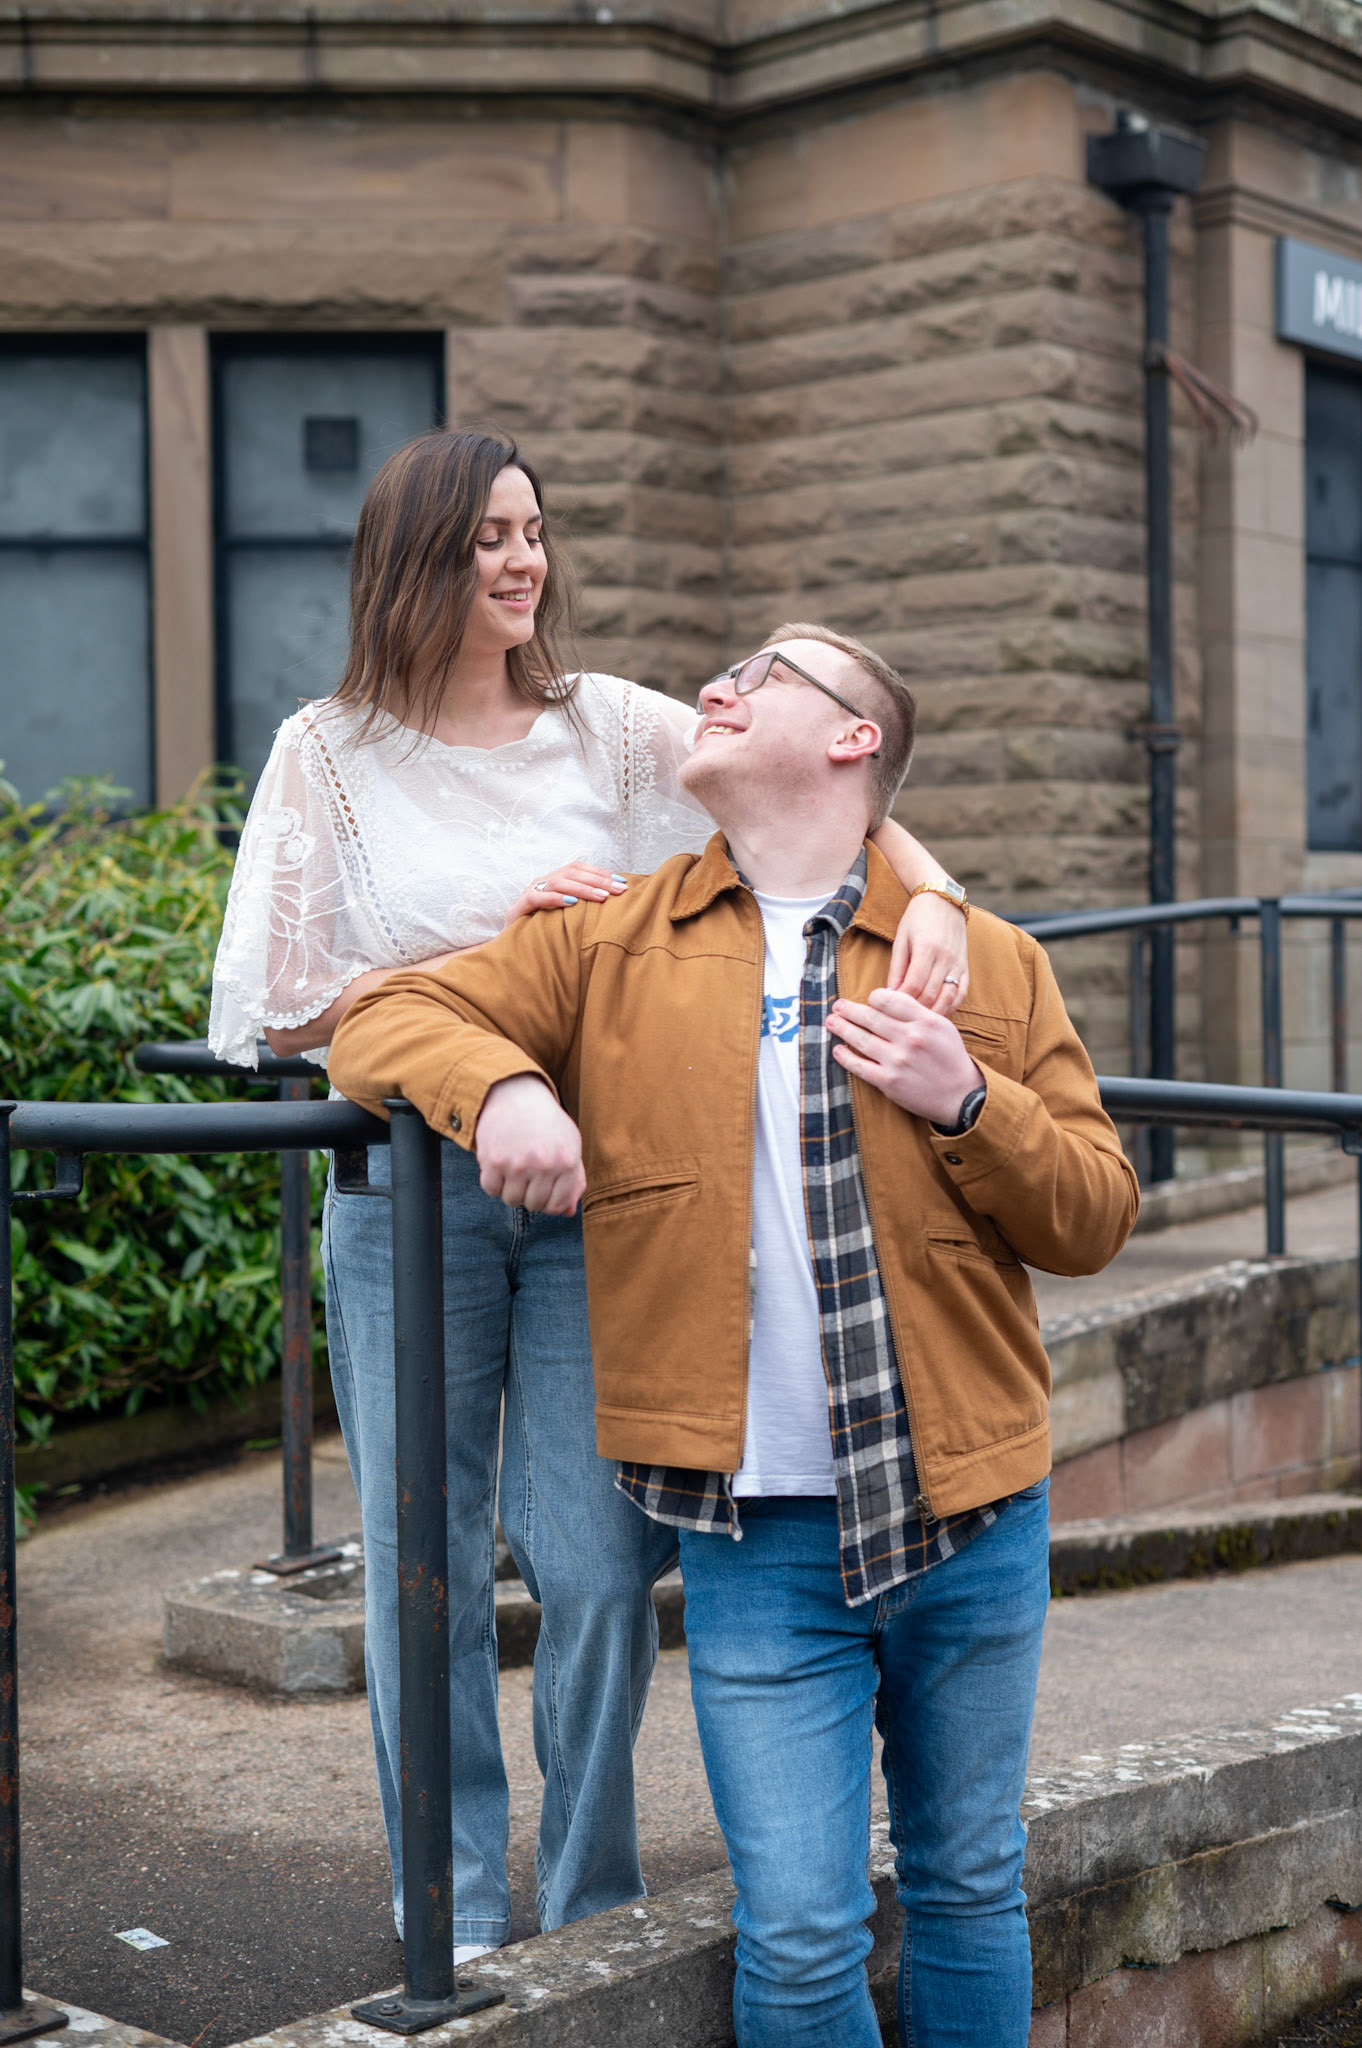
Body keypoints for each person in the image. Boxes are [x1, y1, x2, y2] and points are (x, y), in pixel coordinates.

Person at [207, 432, 971, 1964]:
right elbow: (281, 1011)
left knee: (602, 1562)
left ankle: (586, 1911)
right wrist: (496, 948)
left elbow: (825, 791)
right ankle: (449, 1916)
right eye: (487, 536)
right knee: (423, 1560)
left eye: (533, 533)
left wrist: (937, 895)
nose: (522, 562)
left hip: (589, 1192)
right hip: (409, 1186)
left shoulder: (607, 727)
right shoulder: (327, 751)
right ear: (415, 555)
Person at [327, 620, 1139, 2047]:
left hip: (971, 1512)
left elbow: (1093, 1213)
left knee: (967, 1886)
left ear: (853, 738)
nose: (722, 682)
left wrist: (969, 1101)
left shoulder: (985, 962)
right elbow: (385, 1014)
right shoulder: (610, 944)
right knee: (802, 1936)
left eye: (770, 673)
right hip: (754, 1540)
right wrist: (502, 1087)